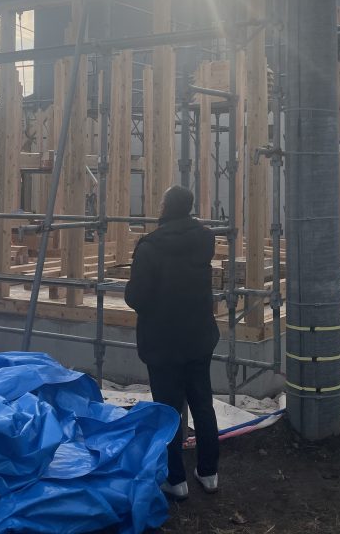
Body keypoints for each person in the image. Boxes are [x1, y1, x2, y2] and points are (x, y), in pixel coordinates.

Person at [124, 185, 220, 501]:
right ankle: (209, 473)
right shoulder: (204, 240)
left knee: (168, 410)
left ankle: (175, 479)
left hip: (163, 341)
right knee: (202, 404)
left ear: (167, 207)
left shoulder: (150, 247)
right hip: (198, 337)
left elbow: (137, 297)